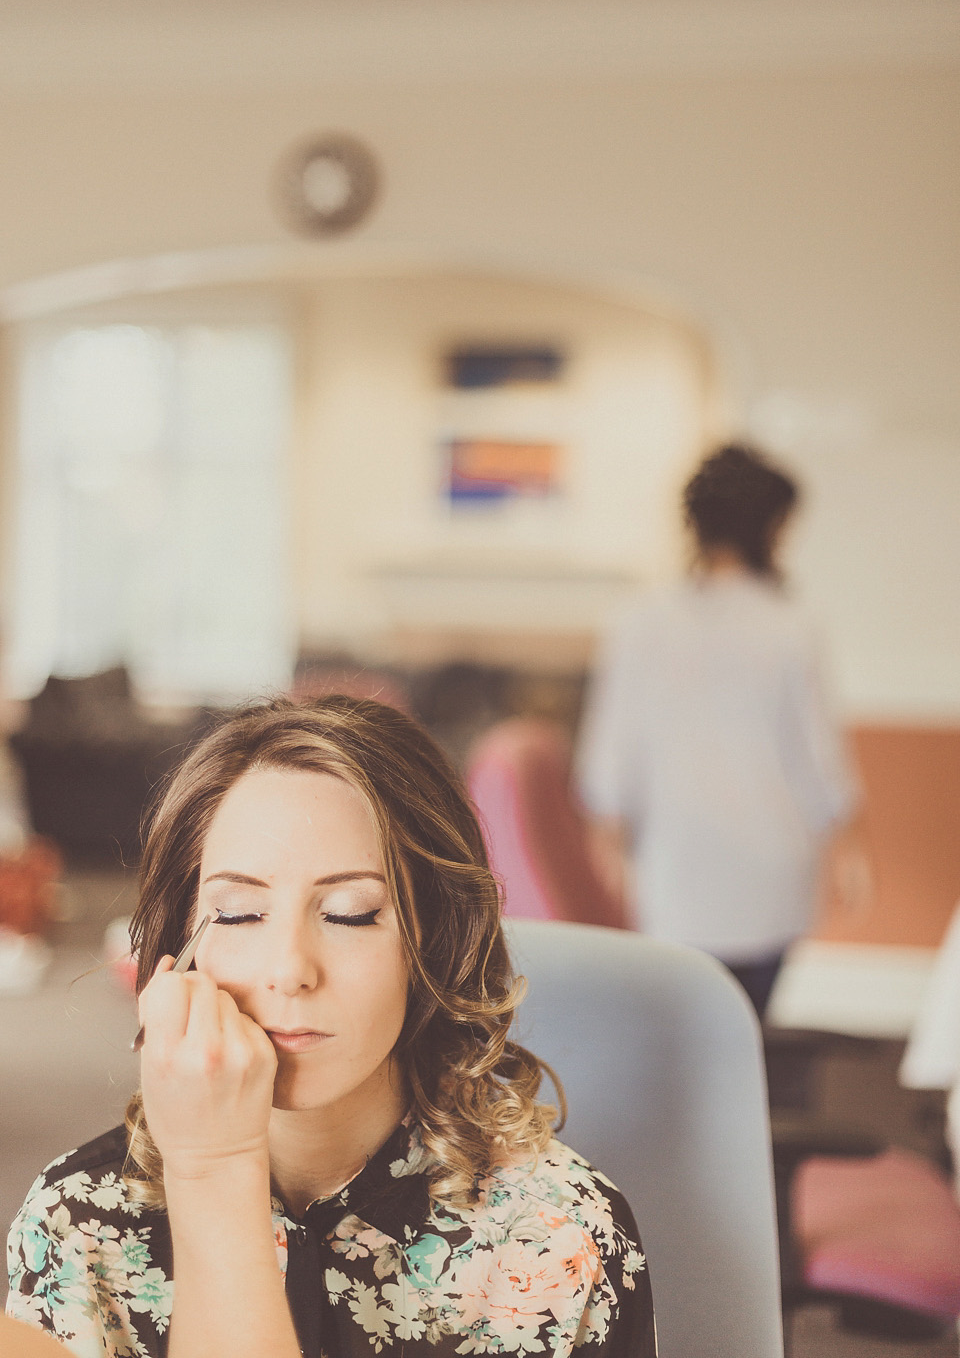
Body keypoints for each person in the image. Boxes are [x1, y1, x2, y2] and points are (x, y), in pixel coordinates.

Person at [7, 695, 655, 1357]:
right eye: (236, 914)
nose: (290, 970)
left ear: (434, 940)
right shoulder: (78, 1220)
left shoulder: (554, 1234)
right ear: (181, 943)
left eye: (350, 913)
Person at [577, 443, 860, 1017]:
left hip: (674, 872)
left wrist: (606, 842)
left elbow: (608, 764)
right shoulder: (792, 627)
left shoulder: (638, 623)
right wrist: (850, 846)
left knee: (678, 1032)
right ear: (772, 526)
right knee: (749, 1027)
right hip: (770, 871)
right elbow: (820, 764)